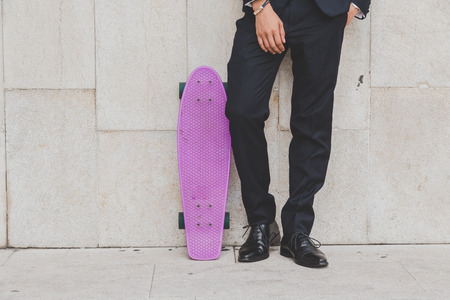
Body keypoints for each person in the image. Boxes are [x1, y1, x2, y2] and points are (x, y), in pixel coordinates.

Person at [225, 0, 371, 268]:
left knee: (313, 120)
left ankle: (297, 231)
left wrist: (355, 5)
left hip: (326, 12)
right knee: (242, 109)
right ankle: (261, 222)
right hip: (268, 6)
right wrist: (259, 6)